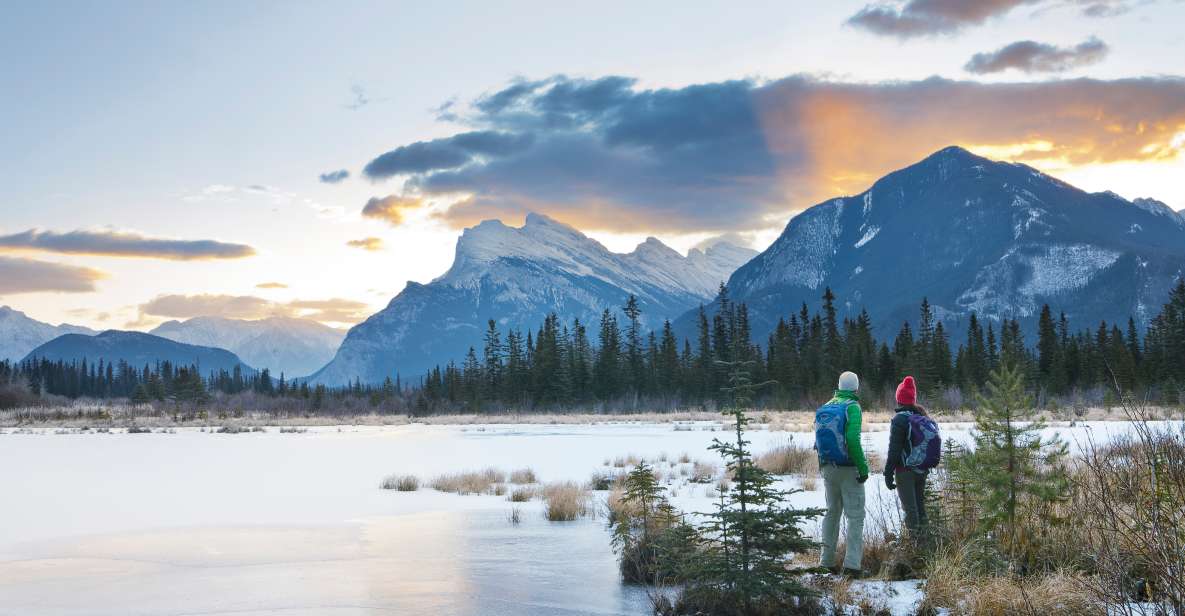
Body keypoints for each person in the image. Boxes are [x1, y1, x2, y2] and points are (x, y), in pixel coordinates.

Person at [814, 370, 869, 576]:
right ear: (856, 387)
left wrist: (823, 466)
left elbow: (818, 441)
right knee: (855, 517)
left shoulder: (827, 406)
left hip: (829, 467)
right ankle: (852, 566)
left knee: (831, 513)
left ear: (839, 386)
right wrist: (862, 468)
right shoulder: (852, 407)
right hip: (848, 468)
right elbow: (853, 440)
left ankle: (826, 562)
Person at [884, 375, 940, 549]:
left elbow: (894, 451)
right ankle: (926, 544)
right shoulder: (923, 417)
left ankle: (916, 549)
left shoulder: (900, 420)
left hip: (905, 471)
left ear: (899, 399)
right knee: (920, 508)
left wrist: (888, 474)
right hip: (921, 470)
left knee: (910, 510)